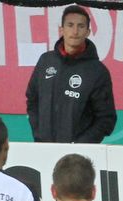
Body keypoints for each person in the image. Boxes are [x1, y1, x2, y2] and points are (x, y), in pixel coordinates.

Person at [26, 4, 116, 144]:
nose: (75, 31)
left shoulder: (98, 72)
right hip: (43, 148)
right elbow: (32, 100)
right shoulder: (46, 61)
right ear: (61, 30)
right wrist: (39, 135)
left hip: (79, 154)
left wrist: (81, 145)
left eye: (81, 26)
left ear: (88, 32)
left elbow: (106, 119)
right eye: (70, 25)